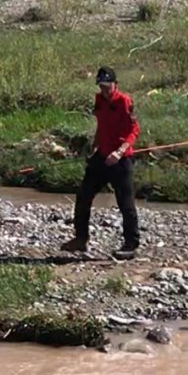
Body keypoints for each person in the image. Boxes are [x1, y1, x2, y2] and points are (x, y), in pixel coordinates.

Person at [61, 67, 141, 259]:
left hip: (121, 158)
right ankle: (81, 239)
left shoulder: (124, 101)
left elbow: (134, 131)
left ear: (115, 84)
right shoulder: (98, 101)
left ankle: (131, 245)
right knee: (83, 195)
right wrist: (94, 146)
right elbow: (101, 126)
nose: (105, 90)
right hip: (102, 155)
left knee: (125, 203)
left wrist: (119, 152)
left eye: (108, 86)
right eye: (101, 86)